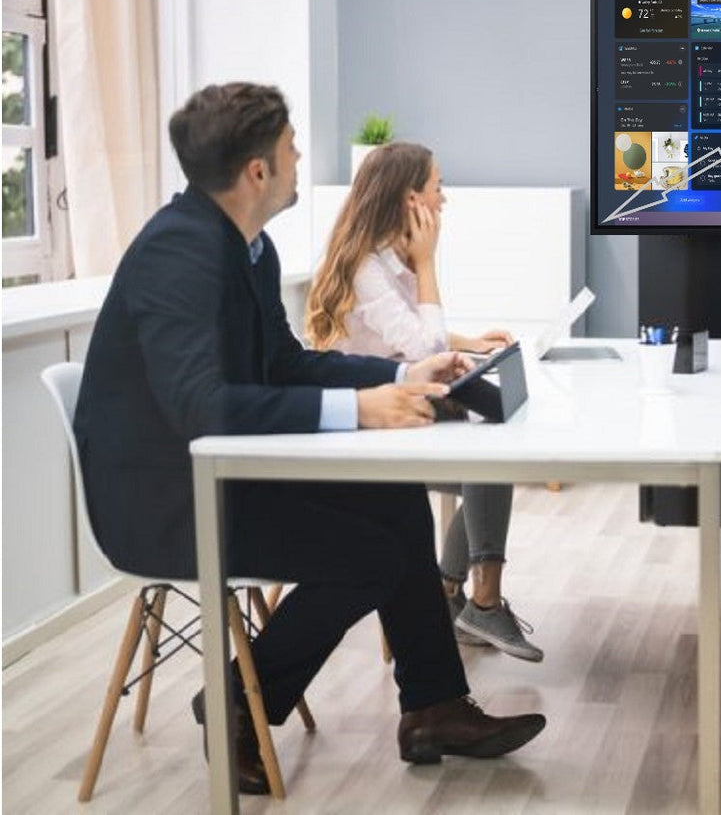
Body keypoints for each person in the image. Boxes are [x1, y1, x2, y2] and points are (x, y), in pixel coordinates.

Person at [73, 83, 545, 795]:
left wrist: (399, 372)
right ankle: (237, 696)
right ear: (257, 171)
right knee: (370, 553)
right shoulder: (181, 252)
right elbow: (202, 406)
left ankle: (433, 707)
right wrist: (359, 408)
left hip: (224, 469)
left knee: (394, 505)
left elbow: (284, 363)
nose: (300, 159)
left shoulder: (246, 247)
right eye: (292, 148)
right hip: (168, 500)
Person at [306, 142, 543, 661]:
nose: (444, 199)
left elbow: (409, 336)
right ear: (411, 198)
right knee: (489, 456)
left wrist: (470, 342)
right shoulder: (368, 266)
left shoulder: (386, 260)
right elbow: (422, 347)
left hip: (401, 410)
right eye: (438, 187)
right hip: (368, 429)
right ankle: (479, 601)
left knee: (493, 449)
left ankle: (454, 593)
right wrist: (428, 263)